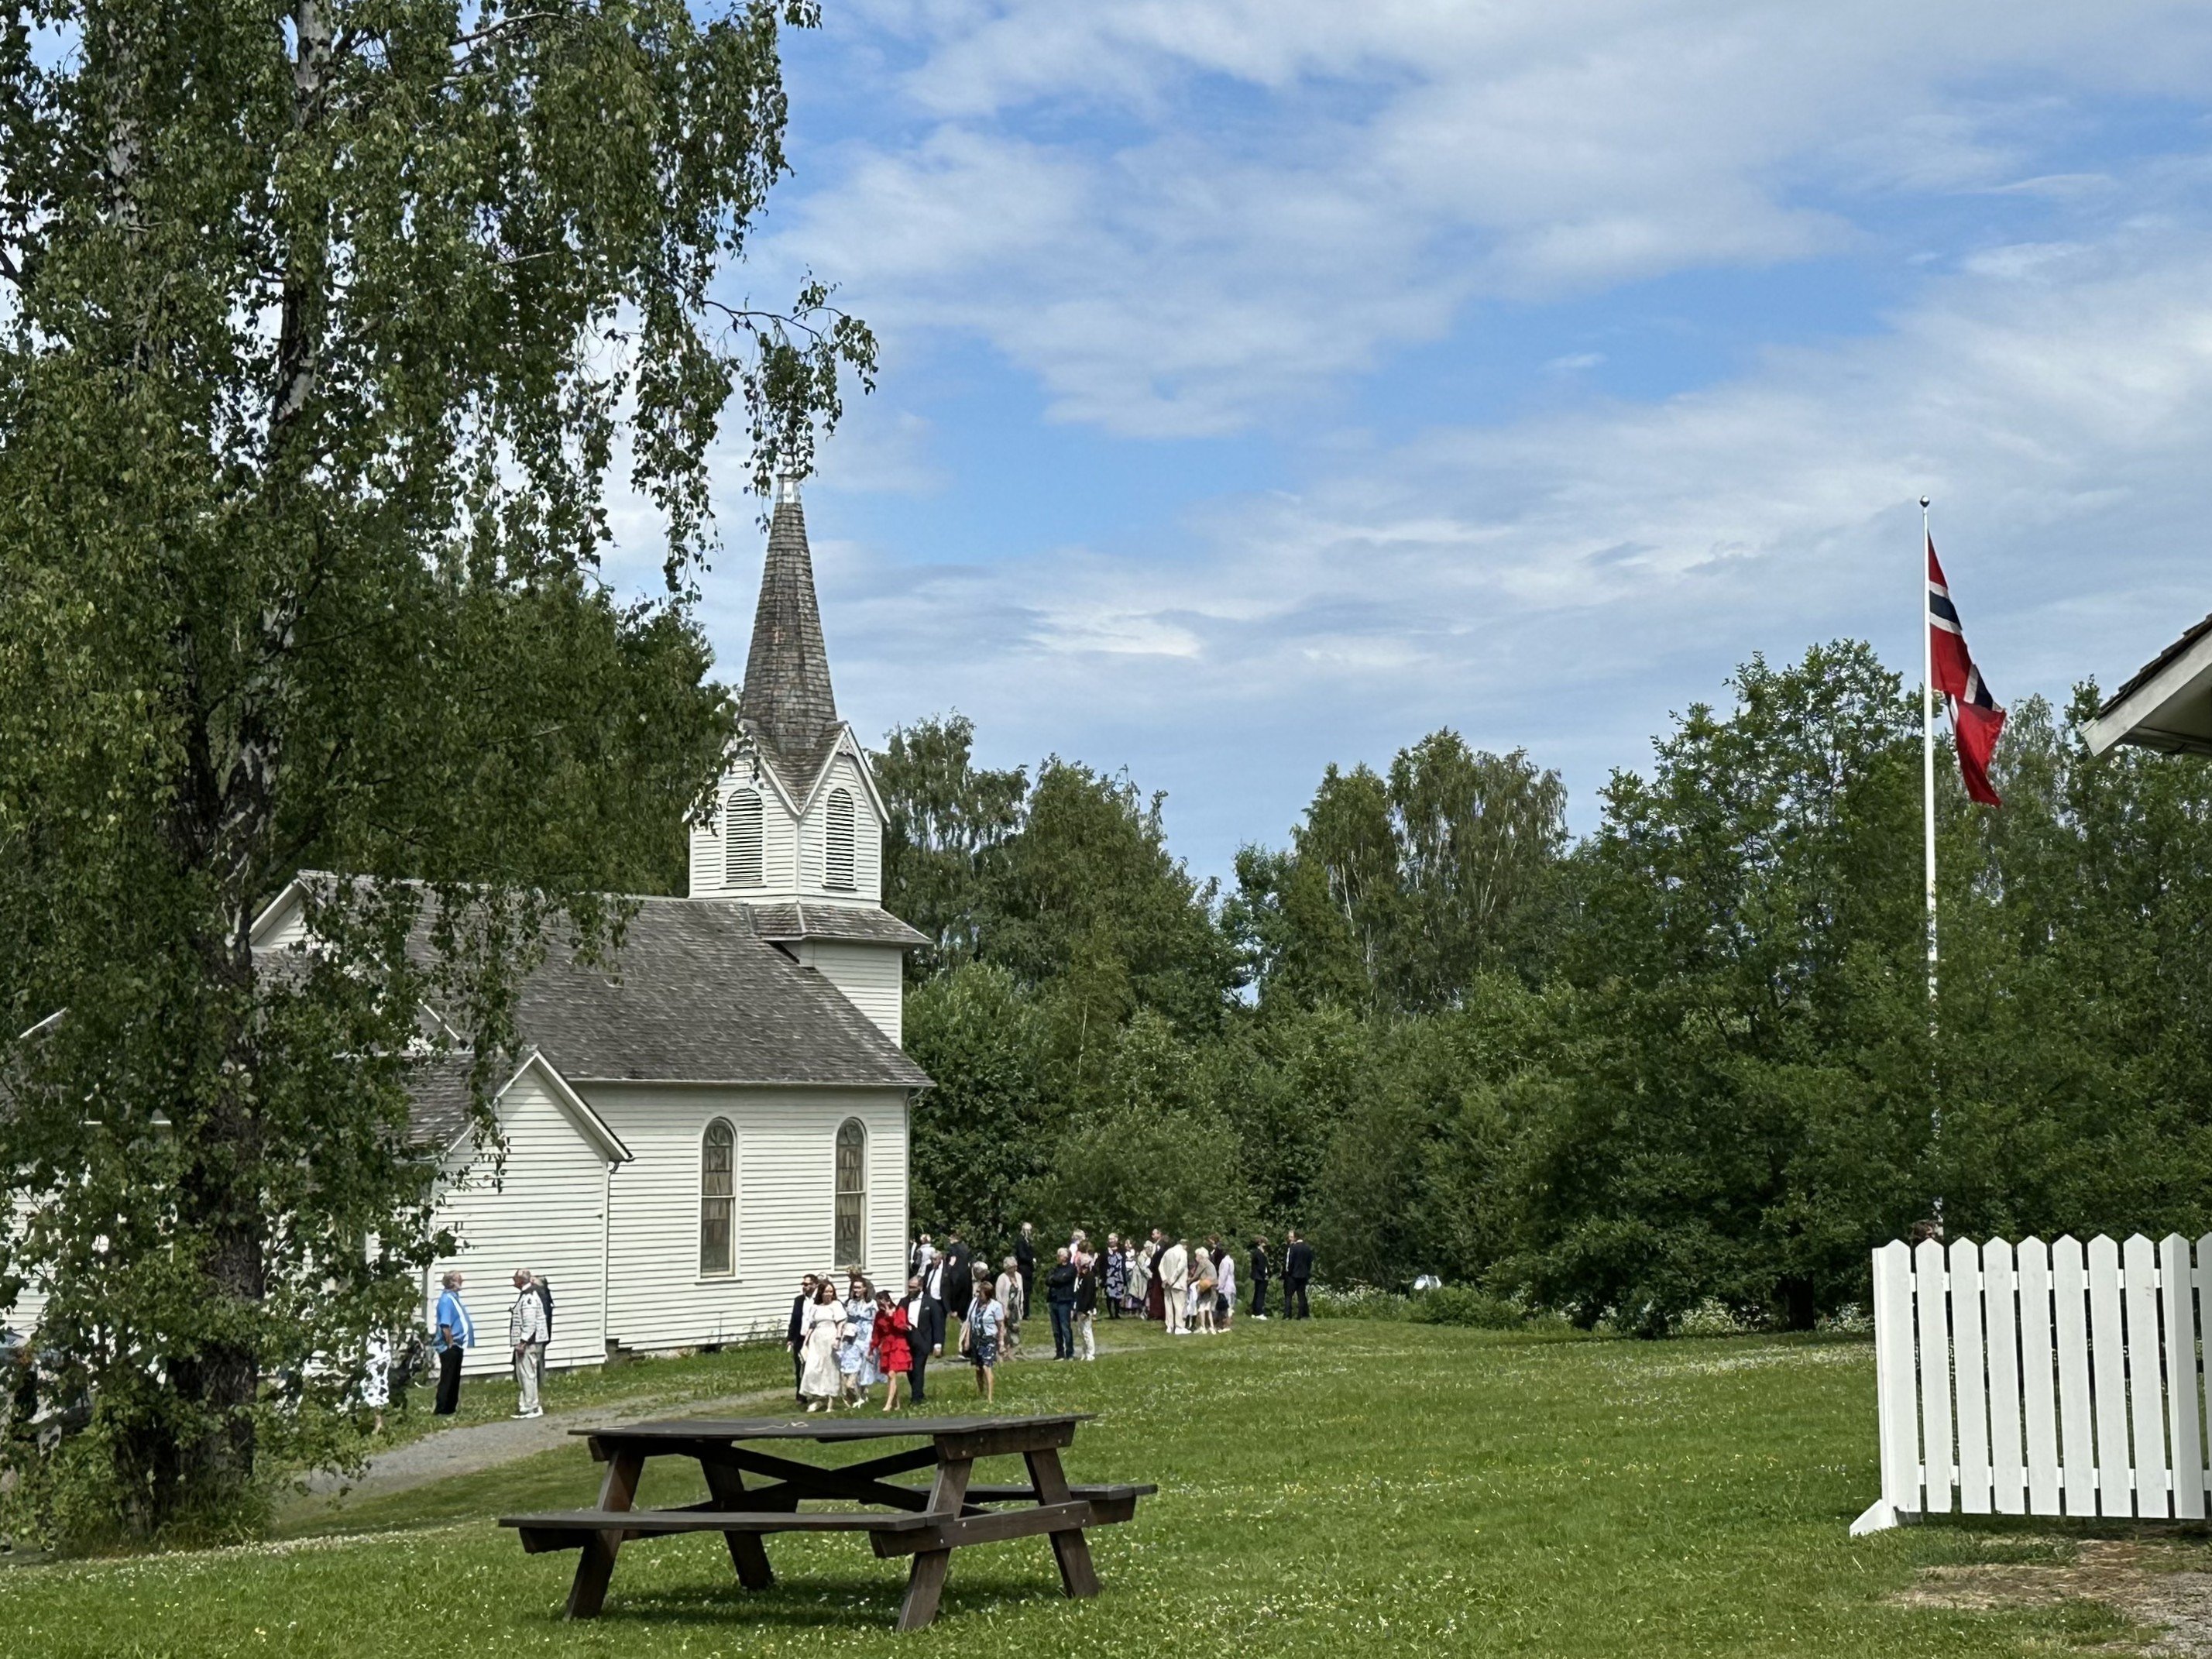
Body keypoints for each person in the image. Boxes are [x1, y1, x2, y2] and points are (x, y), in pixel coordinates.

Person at [800, 1279, 848, 1411]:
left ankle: (831, 1402)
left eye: (831, 1291)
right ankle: (817, 1397)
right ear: (821, 1292)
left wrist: (838, 1338)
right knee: (813, 1368)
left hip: (830, 1336)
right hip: (817, 1339)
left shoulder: (836, 1305)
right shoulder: (816, 1307)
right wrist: (806, 1343)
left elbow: (840, 1323)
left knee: (830, 1369)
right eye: (826, 1291)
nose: (829, 1294)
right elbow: (812, 1325)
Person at [432, 1270, 473, 1416]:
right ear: (451, 1283)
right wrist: (450, 1342)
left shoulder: (454, 1298)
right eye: (459, 1280)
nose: (461, 1282)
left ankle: (451, 1407)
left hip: (458, 1344)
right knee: (448, 1377)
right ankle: (442, 1408)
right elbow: (445, 1325)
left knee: (455, 1377)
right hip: (450, 1345)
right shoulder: (446, 1300)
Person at [508, 1267, 548, 1419]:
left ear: (521, 1280)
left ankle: (532, 1406)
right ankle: (526, 1405)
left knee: (528, 1374)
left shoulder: (529, 1296)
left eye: (515, 1277)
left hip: (530, 1343)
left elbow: (530, 1323)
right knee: (524, 1374)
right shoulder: (526, 1295)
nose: (513, 1280)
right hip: (531, 1342)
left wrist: (523, 1342)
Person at [840, 1274, 878, 1405]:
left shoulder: (872, 1304)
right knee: (852, 1362)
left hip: (867, 1333)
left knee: (865, 1363)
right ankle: (853, 1394)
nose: (856, 1290)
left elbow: (876, 1320)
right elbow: (846, 1318)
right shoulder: (850, 1303)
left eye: (858, 1288)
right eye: (854, 1288)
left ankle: (863, 1393)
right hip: (852, 1335)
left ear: (864, 1289)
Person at [872, 1288, 913, 1410]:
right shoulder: (879, 1315)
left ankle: (888, 1404)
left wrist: (891, 1316)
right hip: (886, 1345)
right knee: (890, 1374)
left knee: (892, 1374)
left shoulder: (899, 1311)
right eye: (878, 1302)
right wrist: (873, 1347)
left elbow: (901, 1327)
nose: (880, 1305)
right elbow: (876, 1332)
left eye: (882, 1301)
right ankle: (897, 1404)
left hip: (898, 1344)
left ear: (888, 1300)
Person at [962, 1279, 1002, 1403]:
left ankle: (990, 1397)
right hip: (976, 1338)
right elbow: (970, 1321)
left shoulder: (996, 1306)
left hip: (988, 1339)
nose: (978, 1295)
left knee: (986, 1366)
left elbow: (1001, 1325)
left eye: (981, 1293)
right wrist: (967, 1340)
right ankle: (981, 1392)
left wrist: (1001, 1342)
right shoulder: (974, 1303)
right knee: (978, 1368)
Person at [787, 1273, 819, 1403]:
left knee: (815, 1366)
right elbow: (794, 1319)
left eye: (807, 1284)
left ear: (815, 1285)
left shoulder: (819, 1300)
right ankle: (801, 1395)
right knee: (800, 1365)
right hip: (801, 1337)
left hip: (816, 1337)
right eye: (803, 1285)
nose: (804, 1287)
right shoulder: (799, 1300)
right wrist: (790, 1338)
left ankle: (816, 1393)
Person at [1044, 1246, 1078, 1360]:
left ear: (1066, 1257)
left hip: (1064, 1301)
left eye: (1060, 1255)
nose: (1058, 1257)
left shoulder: (1071, 1269)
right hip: (1053, 1300)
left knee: (1065, 1327)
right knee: (1056, 1329)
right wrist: (1056, 1278)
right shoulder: (1055, 1268)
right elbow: (1047, 1280)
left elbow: (1064, 1279)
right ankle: (1059, 1352)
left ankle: (1070, 1352)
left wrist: (1055, 1279)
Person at [995, 1256, 1025, 1356]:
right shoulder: (1002, 1278)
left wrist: (1021, 1306)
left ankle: (1015, 1349)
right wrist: (1003, 1310)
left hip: (1016, 1307)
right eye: (1012, 1267)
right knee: (1004, 1329)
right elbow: (998, 1296)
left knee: (1015, 1327)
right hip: (1005, 1306)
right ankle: (1003, 1350)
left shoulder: (1019, 1276)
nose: (1014, 1269)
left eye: (1015, 1267)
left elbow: (1021, 1292)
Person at [1159, 1237, 1189, 1335]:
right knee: (1179, 1305)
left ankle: (1169, 1325)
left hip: (1167, 1283)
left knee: (1168, 1305)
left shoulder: (1168, 1252)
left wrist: (1164, 1279)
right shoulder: (1183, 1253)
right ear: (1184, 1245)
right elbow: (1181, 1267)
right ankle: (1179, 1327)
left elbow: (1161, 1266)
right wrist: (1172, 1280)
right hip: (1178, 1283)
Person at [1073, 1249, 1098, 1360]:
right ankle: (1084, 1351)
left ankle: (1090, 1353)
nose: (1083, 1269)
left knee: (1087, 1331)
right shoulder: (1081, 1277)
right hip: (1079, 1308)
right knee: (1081, 1332)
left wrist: (1084, 1310)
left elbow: (1089, 1295)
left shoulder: (1090, 1277)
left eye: (1085, 1267)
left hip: (1086, 1309)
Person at [1285, 1229, 1314, 1320]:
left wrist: (1289, 1272)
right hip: (1303, 1274)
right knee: (1301, 1295)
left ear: (1296, 1237)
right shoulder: (1307, 1248)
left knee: (1289, 1295)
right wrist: (1307, 1271)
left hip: (1294, 1274)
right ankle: (1301, 1315)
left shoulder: (1293, 1248)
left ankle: (1287, 1314)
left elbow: (1291, 1262)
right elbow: (1310, 1261)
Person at [532, 1273, 555, 1387]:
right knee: (539, 1358)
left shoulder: (542, 1297)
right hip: (543, 1334)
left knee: (538, 1359)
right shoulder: (545, 1297)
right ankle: (539, 1381)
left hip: (539, 1334)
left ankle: (539, 1382)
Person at [1014, 1222, 1038, 1320]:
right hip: (1023, 1269)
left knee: (1027, 1291)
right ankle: (1022, 1312)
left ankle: (1026, 1312)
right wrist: (1031, 1259)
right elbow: (1022, 1255)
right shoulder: (1020, 1241)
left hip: (1028, 1270)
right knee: (1023, 1291)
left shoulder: (1028, 1241)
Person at [1190, 1247, 1215, 1336]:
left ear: (1200, 1255)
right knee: (1208, 1307)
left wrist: (1189, 1280)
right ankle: (1212, 1327)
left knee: (1201, 1307)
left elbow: (1196, 1275)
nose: (1196, 1257)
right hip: (1211, 1284)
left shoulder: (1202, 1262)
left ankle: (1203, 1327)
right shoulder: (1209, 1262)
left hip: (1205, 1285)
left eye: (1197, 1255)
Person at [1102, 1233, 1125, 1321]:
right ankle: (1110, 1314)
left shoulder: (1121, 1251)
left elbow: (1123, 1264)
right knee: (1109, 1295)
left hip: (1119, 1275)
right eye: (1109, 1239)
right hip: (1109, 1276)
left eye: (1113, 1239)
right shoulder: (1105, 1251)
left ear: (1117, 1240)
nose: (1111, 1241)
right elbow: (1102, 1264)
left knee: (1118, 1296)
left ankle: (1117, 1313)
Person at [1249, 1235, 1273, 1321]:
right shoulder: (1258, 1253)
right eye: (1264, 1243)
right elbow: (1260, 1266)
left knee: (1258, 1294)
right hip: (1260, 1276)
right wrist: (1264, 1275)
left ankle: (1255, 1311)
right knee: (1260, 1294)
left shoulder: (1261, 1253)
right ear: (1260, 1243)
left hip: (1260, 1276)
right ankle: (1259, 1312)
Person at [1214, 1242, 1237, 1332]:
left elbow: (1223, 1276)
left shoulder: (1224, 1262)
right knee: (1230, 1307)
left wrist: (1219, 1287)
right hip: (1232, 1286)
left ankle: (1226, 1326)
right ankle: (1227, 1325)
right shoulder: (1230, 1260)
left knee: (1226, 1308)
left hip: (1226, 1288)